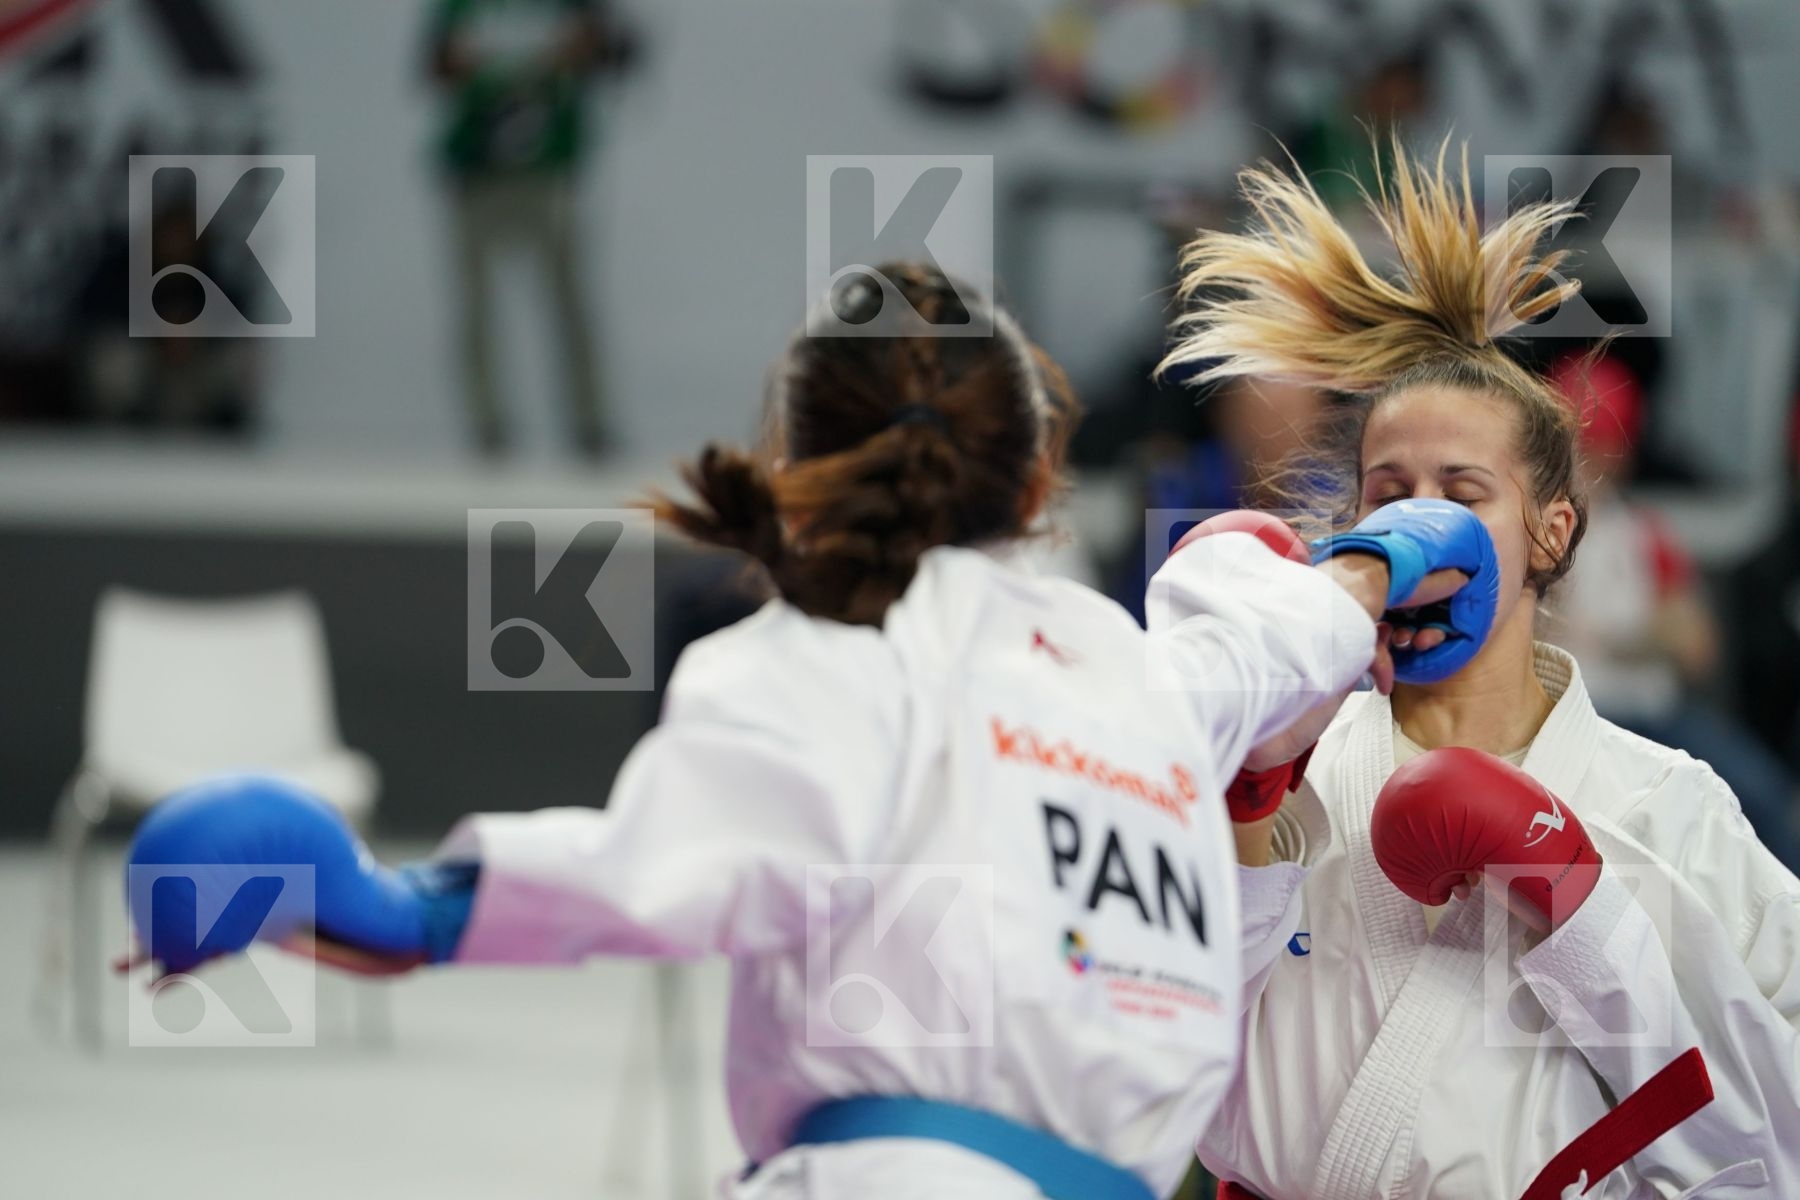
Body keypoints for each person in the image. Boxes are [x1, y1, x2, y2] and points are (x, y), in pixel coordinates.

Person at [121, 264, 1483, 1199]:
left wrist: (393, 908)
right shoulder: (1134, 679)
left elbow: (661, 868)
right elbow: (1276, 635)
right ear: (1041, 474)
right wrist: (1394, 556)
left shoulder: (829, 659)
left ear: (798, 466)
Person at [1158, 139, 1800, 1197]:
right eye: (1389, 493)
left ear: (1550, 533)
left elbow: (1772, 1155)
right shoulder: (1290, 768)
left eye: (1462, 494)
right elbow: (1150, 1042)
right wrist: (1245, 804)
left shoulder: (1671, 813)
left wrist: (1588, 916)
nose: (1420, 525)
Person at [1549, 352, 1800, 871]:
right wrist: (1648, 632)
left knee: (1762, 795)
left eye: (1604, 445)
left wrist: (1620, 635)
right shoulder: (1532, 530)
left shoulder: (1643, 534)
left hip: (1656, 715)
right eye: (1583, 444)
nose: (1594, 459)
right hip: (1577, 713)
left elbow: (1696, 648)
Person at [423, 0, 617, 456]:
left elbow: (603, 52)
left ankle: (589, 422)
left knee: (569, 302)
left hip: (550, 172)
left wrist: (585, 49)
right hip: (478, 172)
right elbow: (438, 64)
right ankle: (488, 425)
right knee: (477, 308)